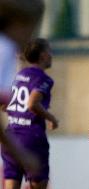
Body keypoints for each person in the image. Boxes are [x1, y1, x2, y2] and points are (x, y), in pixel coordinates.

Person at [1, 38, 58, 189]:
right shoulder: (43, 79)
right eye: (50, 51)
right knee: (39, 183)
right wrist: (51, 118)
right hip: (31, 137)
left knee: (11, 181)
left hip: (11, 135)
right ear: (43, 55)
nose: (52, 55)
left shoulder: (17, 76)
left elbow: (4, 103)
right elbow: (32, 103)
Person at [0, 0, 45, 183]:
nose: (30, 38)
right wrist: (20, 153)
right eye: (30, 30)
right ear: (16, 24)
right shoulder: (4, 49)